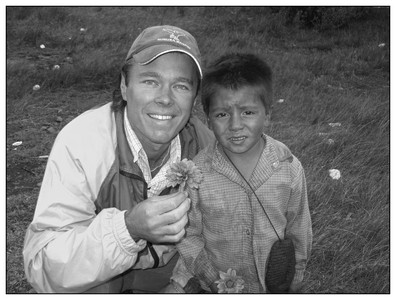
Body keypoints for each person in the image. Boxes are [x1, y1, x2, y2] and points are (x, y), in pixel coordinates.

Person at [22, 25, 214, 293]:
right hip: (96, 283)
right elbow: (42, 265)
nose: (165, 99)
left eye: (181, 85)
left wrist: (181, 286)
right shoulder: (84, 143)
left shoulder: (207, 148)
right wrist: (128, 229)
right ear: (125, 86)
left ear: (194, 98)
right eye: (150, 81)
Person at [166, 53, 312, 293]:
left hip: (270, 284)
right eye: (222, 114)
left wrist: (296, 272)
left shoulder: (289, 168)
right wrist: (213, 280)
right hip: (207, 281)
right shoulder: (196, 174)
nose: (235, 125)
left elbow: (299, 227)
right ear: (209, 120)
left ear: (268, 115)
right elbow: (188, 235)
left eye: (248, 112)